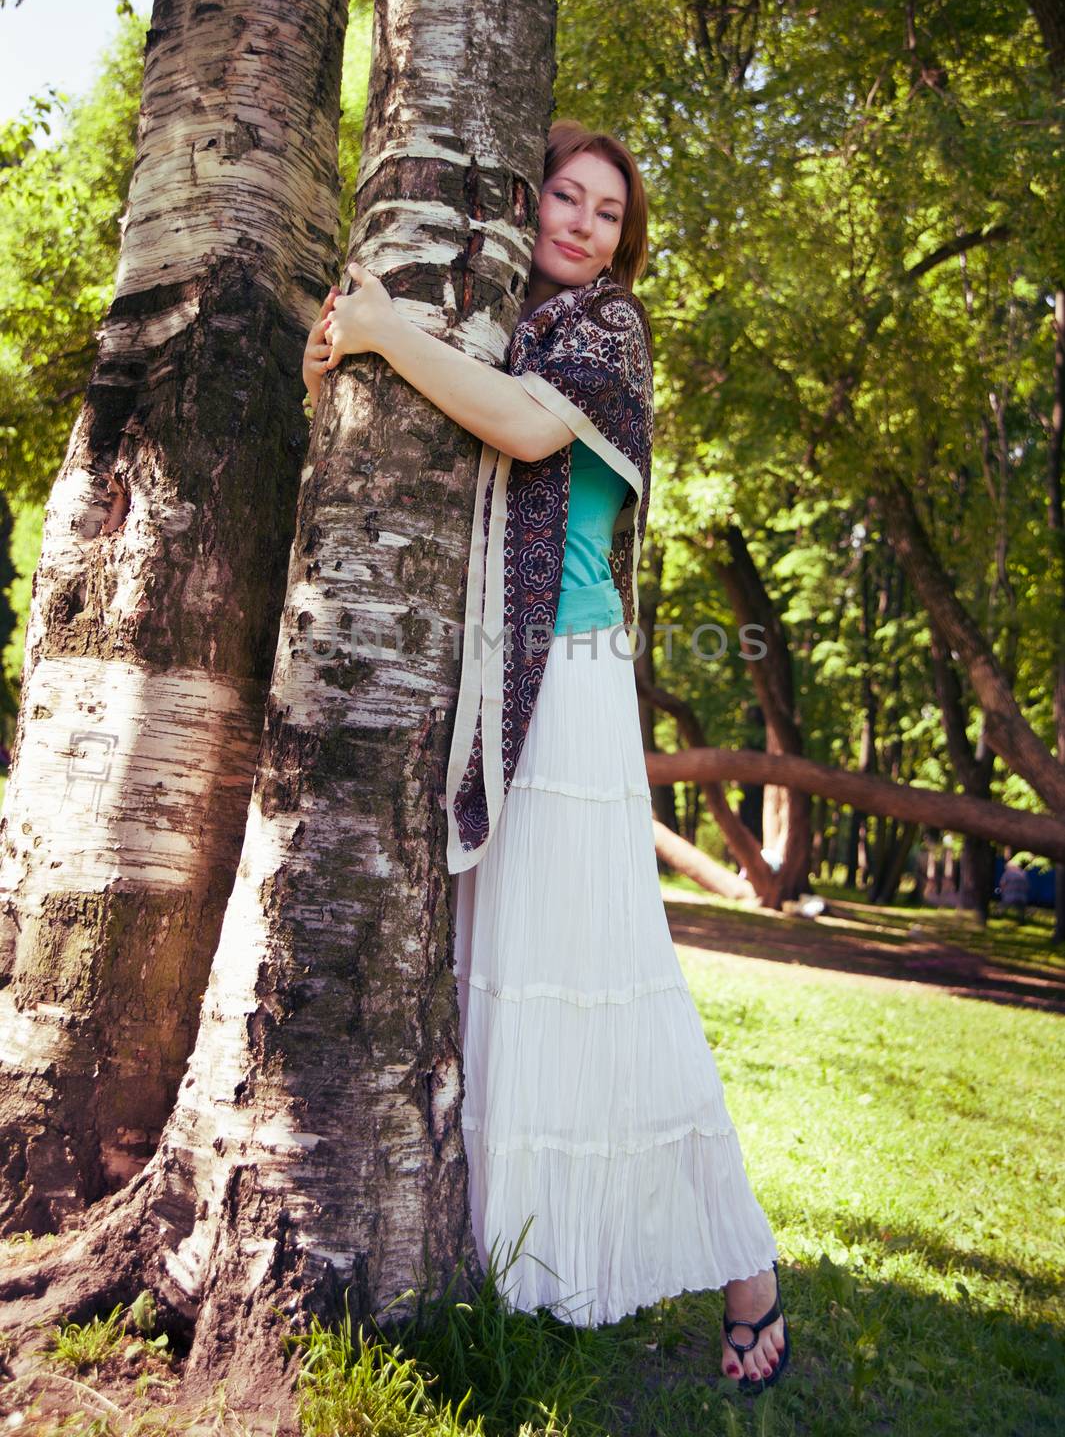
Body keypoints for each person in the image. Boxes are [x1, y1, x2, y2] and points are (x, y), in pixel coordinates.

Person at [301, 119, 790, 1393]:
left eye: (606, 213)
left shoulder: (603, 334)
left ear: (626, 243)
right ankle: (530, 1263)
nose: (580, 224)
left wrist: (380, 334)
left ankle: (746, 1267)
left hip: (568, 692)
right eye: (563, 201)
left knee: (610, 974)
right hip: (494, 691)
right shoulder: (502, 319)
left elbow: (522, 431)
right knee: (505, 974)